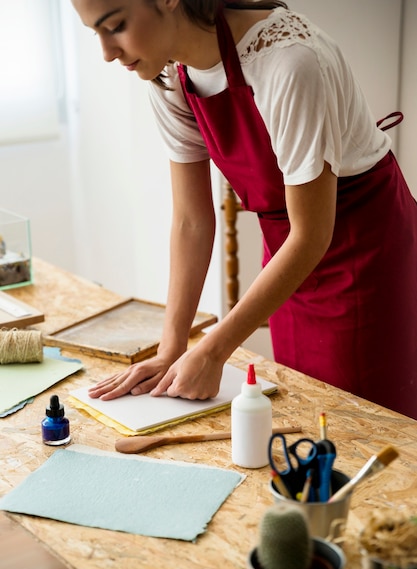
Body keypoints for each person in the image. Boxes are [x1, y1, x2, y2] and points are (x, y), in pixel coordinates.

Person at [72, 0, 417, 419]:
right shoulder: (170, 77)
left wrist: (214, 351)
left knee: (366, 425)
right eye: (97, 33)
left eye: (117, 26)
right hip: (289, 257)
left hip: (363, 253)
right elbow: (191, 221)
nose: (108, 53)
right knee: (306, 412)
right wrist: (171, 348)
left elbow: (311, 233)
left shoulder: (290, 63)